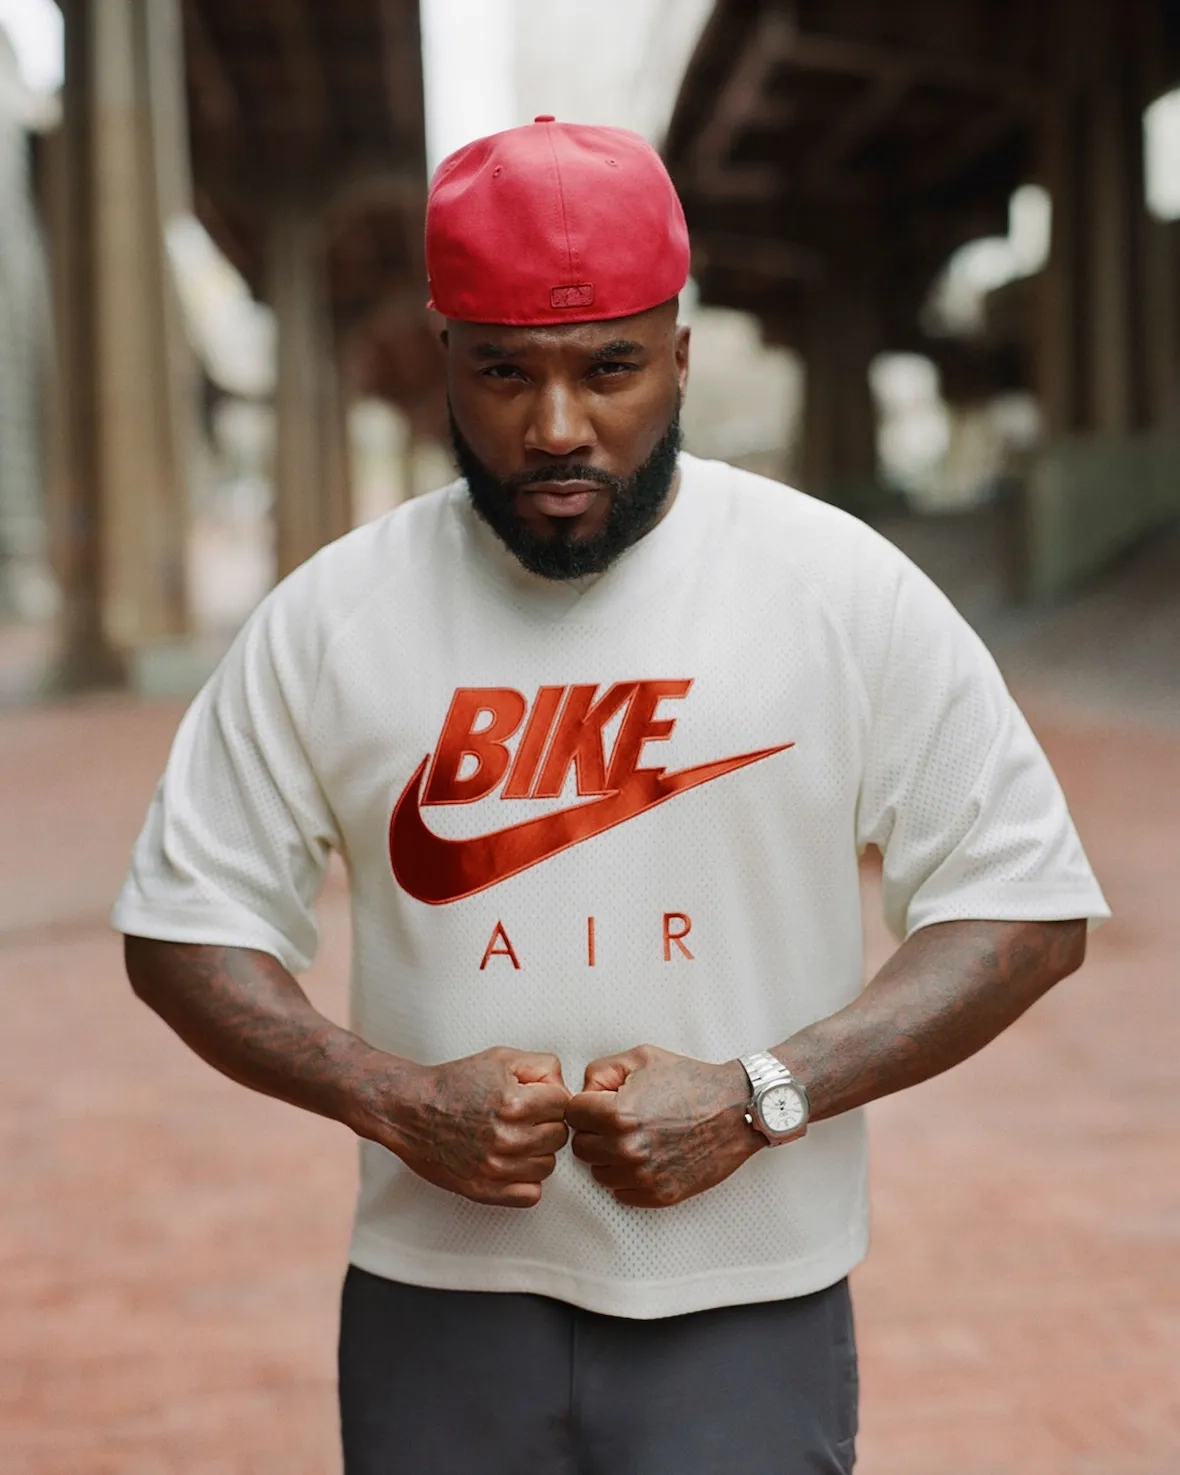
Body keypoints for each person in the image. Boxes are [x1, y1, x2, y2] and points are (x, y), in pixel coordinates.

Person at [114, 118, 1109, 1474]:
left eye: (612, 368)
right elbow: (182, 924)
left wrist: (767, 1091)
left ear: (683, 355)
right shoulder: (335, 617)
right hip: (438, 1301)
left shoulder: (837, 587)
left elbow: (1029, 908)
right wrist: (393, 1097)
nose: (558, 427)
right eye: (506, 373)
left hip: (747, 1297)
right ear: (443, 361)